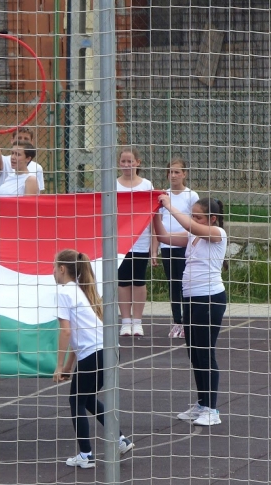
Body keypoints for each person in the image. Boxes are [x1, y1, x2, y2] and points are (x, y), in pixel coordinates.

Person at [52, 249, 135, 468]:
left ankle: (86, 455)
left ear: (61, 269)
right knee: (87, 399)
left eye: (54, 267)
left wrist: (59, 366)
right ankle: (120, 440)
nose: (53, 272)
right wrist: (70, 366)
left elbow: (67, 333)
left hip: (95, 354)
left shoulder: (63, 292)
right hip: (110, 352)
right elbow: (80, 336)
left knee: (76, 401)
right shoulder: (81, 291)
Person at [153, 197, 227, 427]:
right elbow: (165, 237)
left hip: (210, 300)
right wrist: (154, 214)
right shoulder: (193, 236)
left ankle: (213, 410)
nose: (194, 220)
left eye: (199, 216)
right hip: (191, 300)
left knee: (205, 353)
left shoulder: (217, 233)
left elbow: (187, 225)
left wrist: (169, 206)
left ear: (212, 219)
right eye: (193, 215)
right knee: (194, 353)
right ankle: (202, 404)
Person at [116, 147, 157, 337]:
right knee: (123, 281)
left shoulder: (146, 185)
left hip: (141, 240)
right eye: (123, 161)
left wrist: (154, 247)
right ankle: (125, 321)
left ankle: (137, 321)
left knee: (138, 280)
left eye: (130, 161)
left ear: (137, 163)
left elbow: (153, 217)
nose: (126, 165)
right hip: (120, 241)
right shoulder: (113, 185)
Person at [159, 158, 199, 339]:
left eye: (177, 172)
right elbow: (157, 223)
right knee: (173, 284)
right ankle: (177, 321)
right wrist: (155, 249)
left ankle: (188, 321)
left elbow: (196, 222)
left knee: (186, 283)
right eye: (170, 172)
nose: (173, 175)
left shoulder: (191, 196)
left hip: (184, 246)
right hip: (167, 246)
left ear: (184, 174)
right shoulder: (163, 195)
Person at [0, 130, 39, 197]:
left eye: (18, 154)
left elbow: (28, 206)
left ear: (28, 159)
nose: (13, 157)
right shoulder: (10, 177)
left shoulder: (30, 180)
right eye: (12, 153)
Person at [14, 127, 45, 191]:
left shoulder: (37, 168)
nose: (22, 141)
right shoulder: (6, 161)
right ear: (13, 140)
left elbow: (38, 193)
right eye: (19, 138)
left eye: (26, 139)